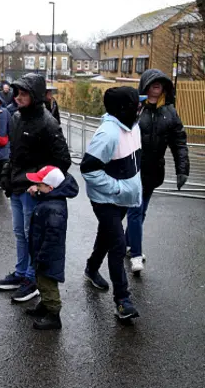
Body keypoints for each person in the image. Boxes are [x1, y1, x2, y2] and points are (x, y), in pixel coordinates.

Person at [0, 73, 71, 303]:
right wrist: (7, 174)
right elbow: (15, 152)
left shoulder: (48, 123)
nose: (18, 97)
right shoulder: (16, 117)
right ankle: (21, 272)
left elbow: (63, 160)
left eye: (23, 93)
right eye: (17, 93)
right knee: (20, 233)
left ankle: (32, 278)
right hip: (18, 187)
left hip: (32, 190)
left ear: (35, 95)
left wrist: (41, 183)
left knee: (32, 235)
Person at [81, 86, 142, 320]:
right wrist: (116, 188)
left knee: (107, 236)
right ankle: (122, 300)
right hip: (106, 200)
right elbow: (88, 168)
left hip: (123, 198)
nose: (139, 109)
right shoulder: (108, 134)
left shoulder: (132, 127)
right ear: (123, 109)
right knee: (117, 244)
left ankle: (91, 268)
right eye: (136, 106)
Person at [126, 69, 189, 274]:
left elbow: (179, 142)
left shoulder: (169, 112)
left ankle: (129, 243)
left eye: (160, 84)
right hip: (133, 170)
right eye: (153, 83)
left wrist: (183, 169)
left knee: (141, 211)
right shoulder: (136, 108)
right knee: (135, 211)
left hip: (153, 172)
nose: (157, 86)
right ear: (145, 85)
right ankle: (136, 254)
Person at [23, 166, 78, 330]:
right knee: (41, 280)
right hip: (42, 252)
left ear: (50, 188)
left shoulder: (54, 209)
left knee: (48, 284)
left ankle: (54, 314)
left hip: (48, 255)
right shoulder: (50, 200)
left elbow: (53, 236)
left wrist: (43, 256)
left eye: (40, 185)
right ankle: (44, 306)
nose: (37, 187)